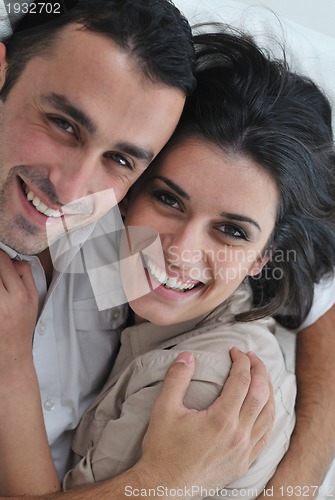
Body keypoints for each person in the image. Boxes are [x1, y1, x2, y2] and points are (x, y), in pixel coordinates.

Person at [1, 28, 335, 498]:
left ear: (264, 257)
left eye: (232, 230)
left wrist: (164, 481)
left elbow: (324, 294)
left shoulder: (198, 386)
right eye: (168, 200)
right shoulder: (100, 222)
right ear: (133, 188)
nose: (179, 251)